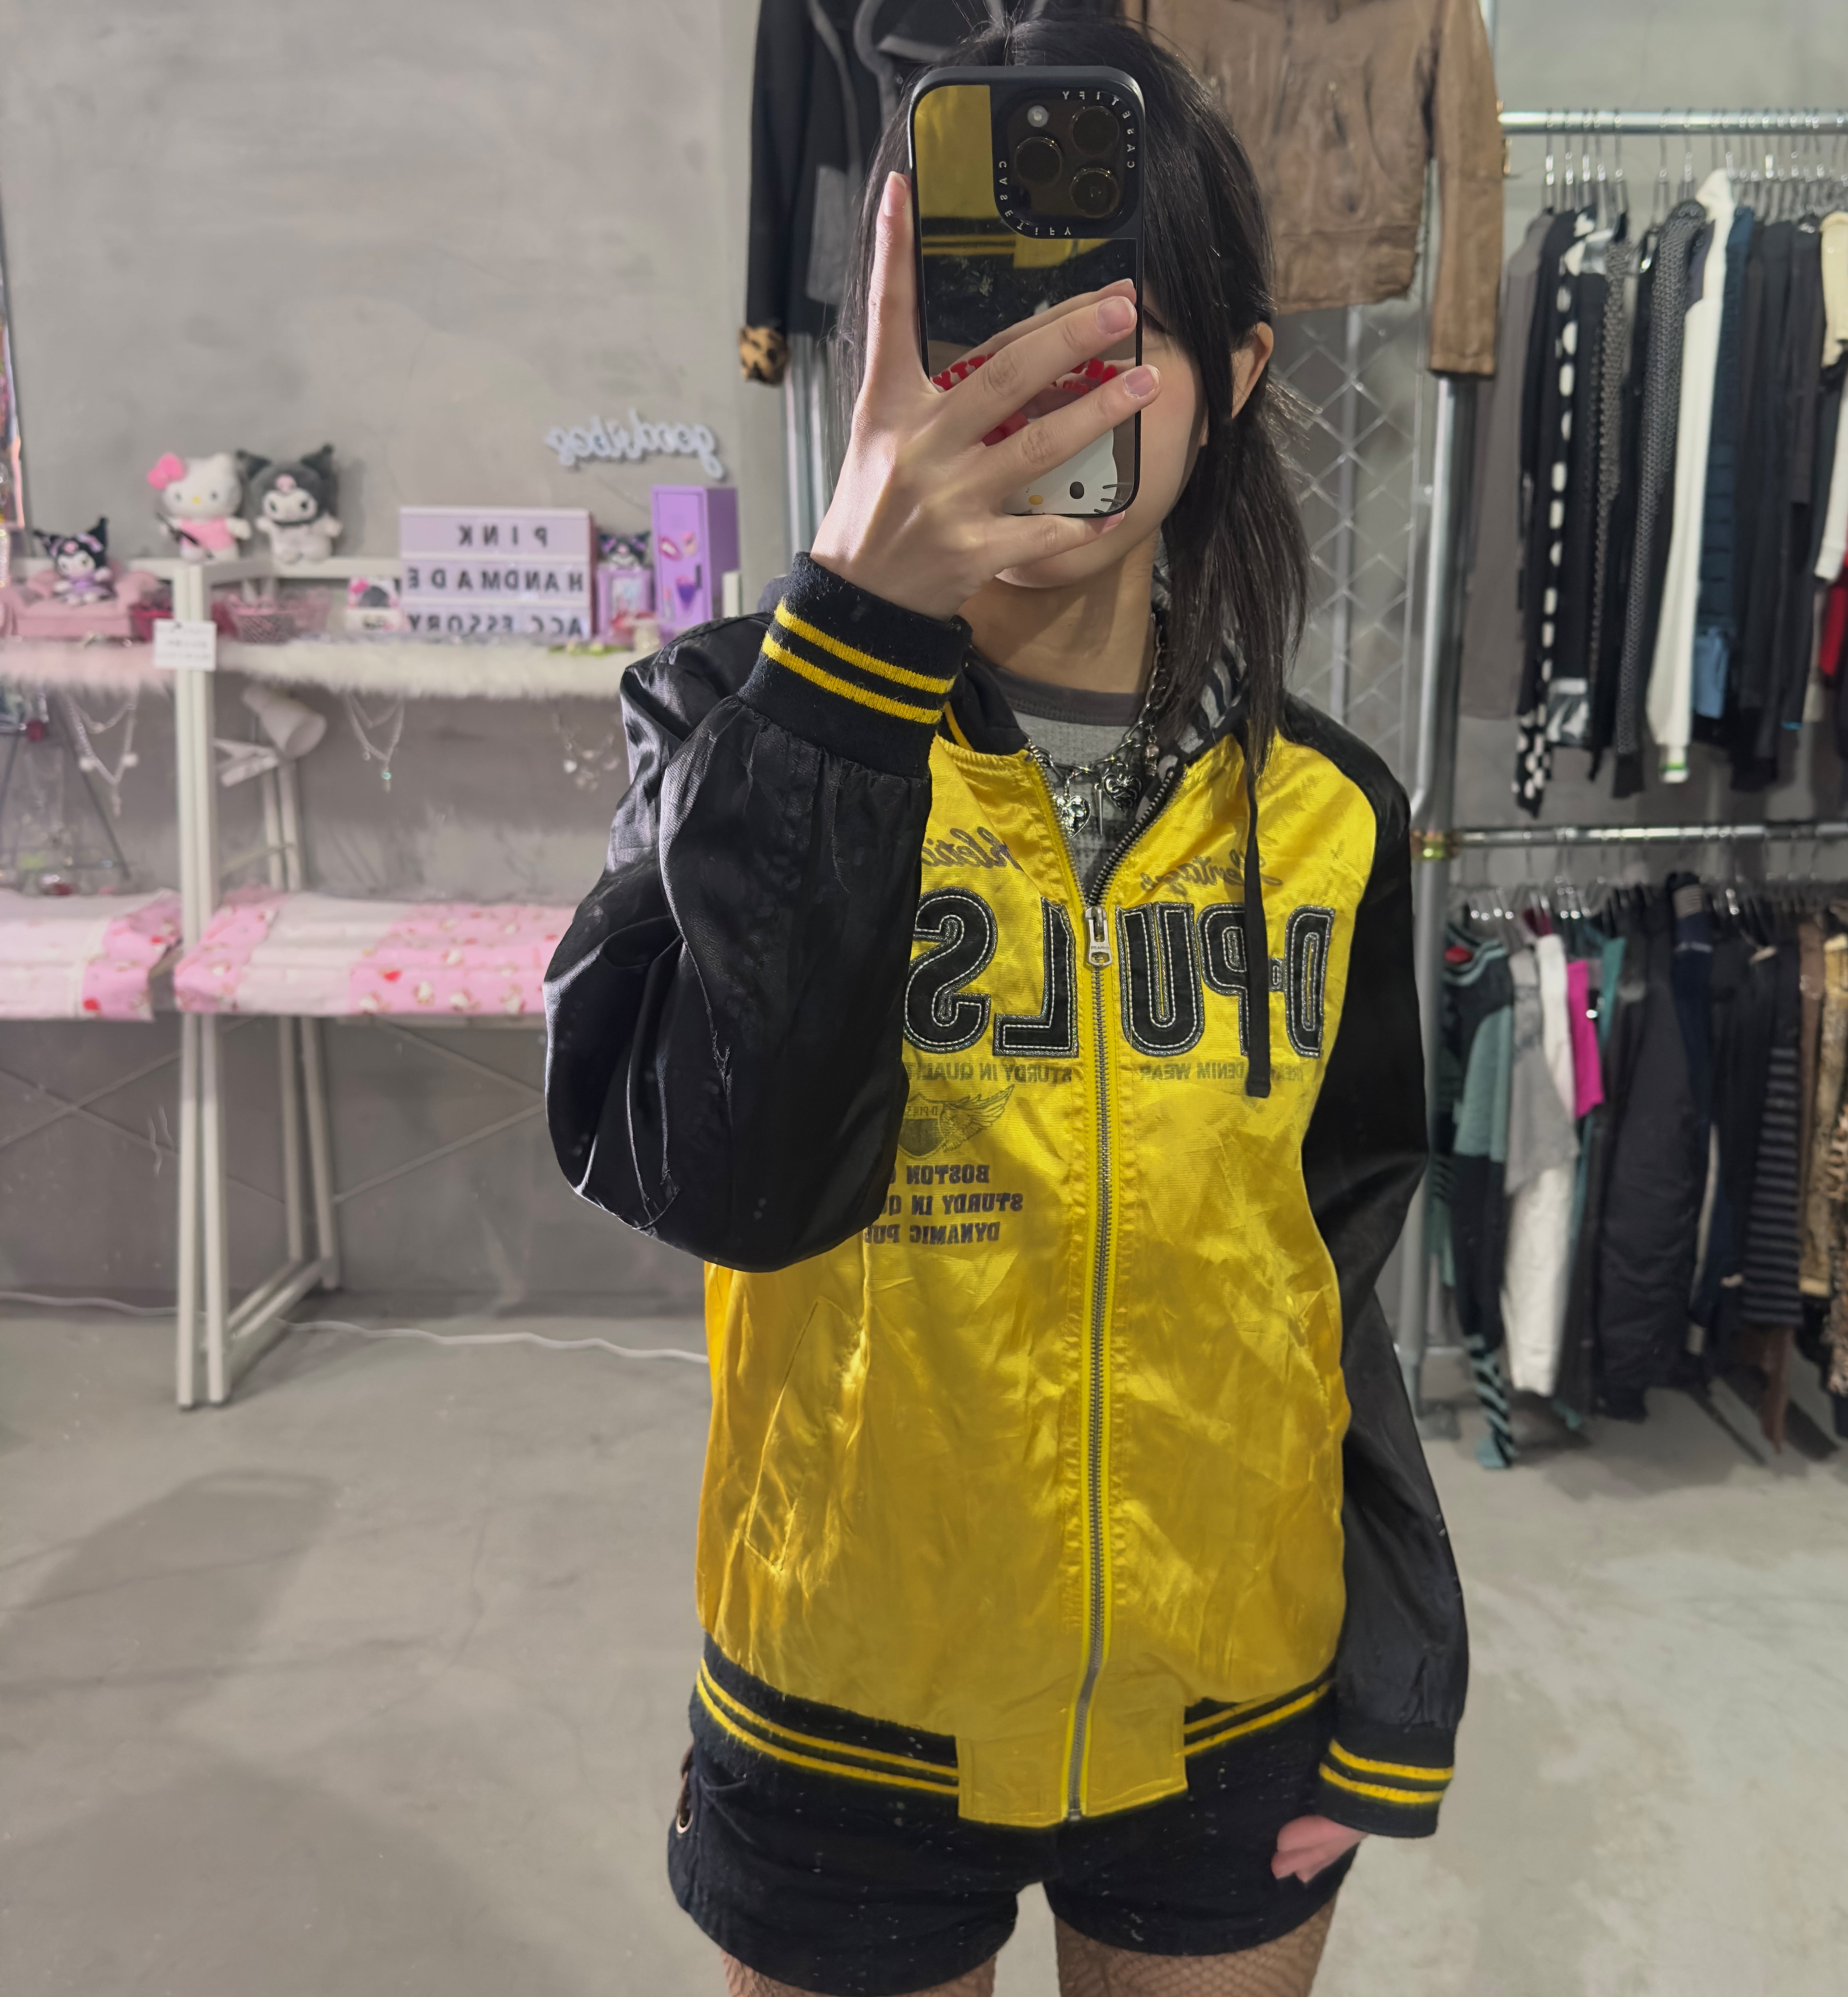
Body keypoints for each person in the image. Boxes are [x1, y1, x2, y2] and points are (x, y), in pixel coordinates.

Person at [544, 15, 1467, 1997]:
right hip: (846, 1706)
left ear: (1234, 380)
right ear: (881, 345)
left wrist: (1392, 1672)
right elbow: (722, 1178)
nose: (1036, 390)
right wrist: (849, 638)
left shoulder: (1324, 811)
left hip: (1228, 1697)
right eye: (974, 326)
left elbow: (1333, 1269)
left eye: (1102, 334)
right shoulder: (726, 724)